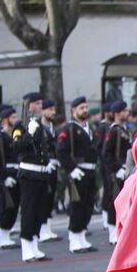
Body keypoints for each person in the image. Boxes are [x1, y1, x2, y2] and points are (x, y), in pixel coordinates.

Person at [13, 97, 56, 262]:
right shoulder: (21, 126)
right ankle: (26, 248)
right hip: (29, 175)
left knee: (39, 211)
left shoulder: (38, 124)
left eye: (40, 103)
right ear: (29, 106)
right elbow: (17, 147)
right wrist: (29, 134)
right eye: (37, 104)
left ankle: (34, 245)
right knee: (29, 211)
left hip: (41, 173)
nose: (40, 106)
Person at [55, 97, 99, 253]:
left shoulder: (89, 127)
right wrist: (72, 168)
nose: (85, 110)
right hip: (78, 172)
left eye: (86, 107)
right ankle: (74, 239)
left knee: (88, 205)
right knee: (77, 205)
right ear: (73, 110)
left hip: (90, 171)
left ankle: (82, 236)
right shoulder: (69, 129)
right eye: (81, 108)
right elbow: (61, 151)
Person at [0, 105, 20, 249]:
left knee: (13, 207)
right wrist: (2, 178)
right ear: (5, 120)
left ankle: (7, 235)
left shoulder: (14, 135)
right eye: (13, 117)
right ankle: (2, 238)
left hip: (16, 174)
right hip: (5, 176)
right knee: (5, 207)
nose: (16, 119)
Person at [101, 101, 132, 245]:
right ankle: (112, 233)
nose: (127, 113)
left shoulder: (124, 129)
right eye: (124, 110)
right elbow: (106, 154)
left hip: (124, 171)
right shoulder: (113, 131)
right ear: (117, 113)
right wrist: (116, 169)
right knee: (114, 202)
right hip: (116, 173)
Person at [36, 100, 62, 243]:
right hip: (44, 166)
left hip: (53, 165)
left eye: (54, 109)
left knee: (51, 197)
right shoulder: (39, 127)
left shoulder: (52, 127)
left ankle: (47, 228)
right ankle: (42, 228)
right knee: (44, 198)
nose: (53, 112)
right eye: (50, 109)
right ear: (43, 111)